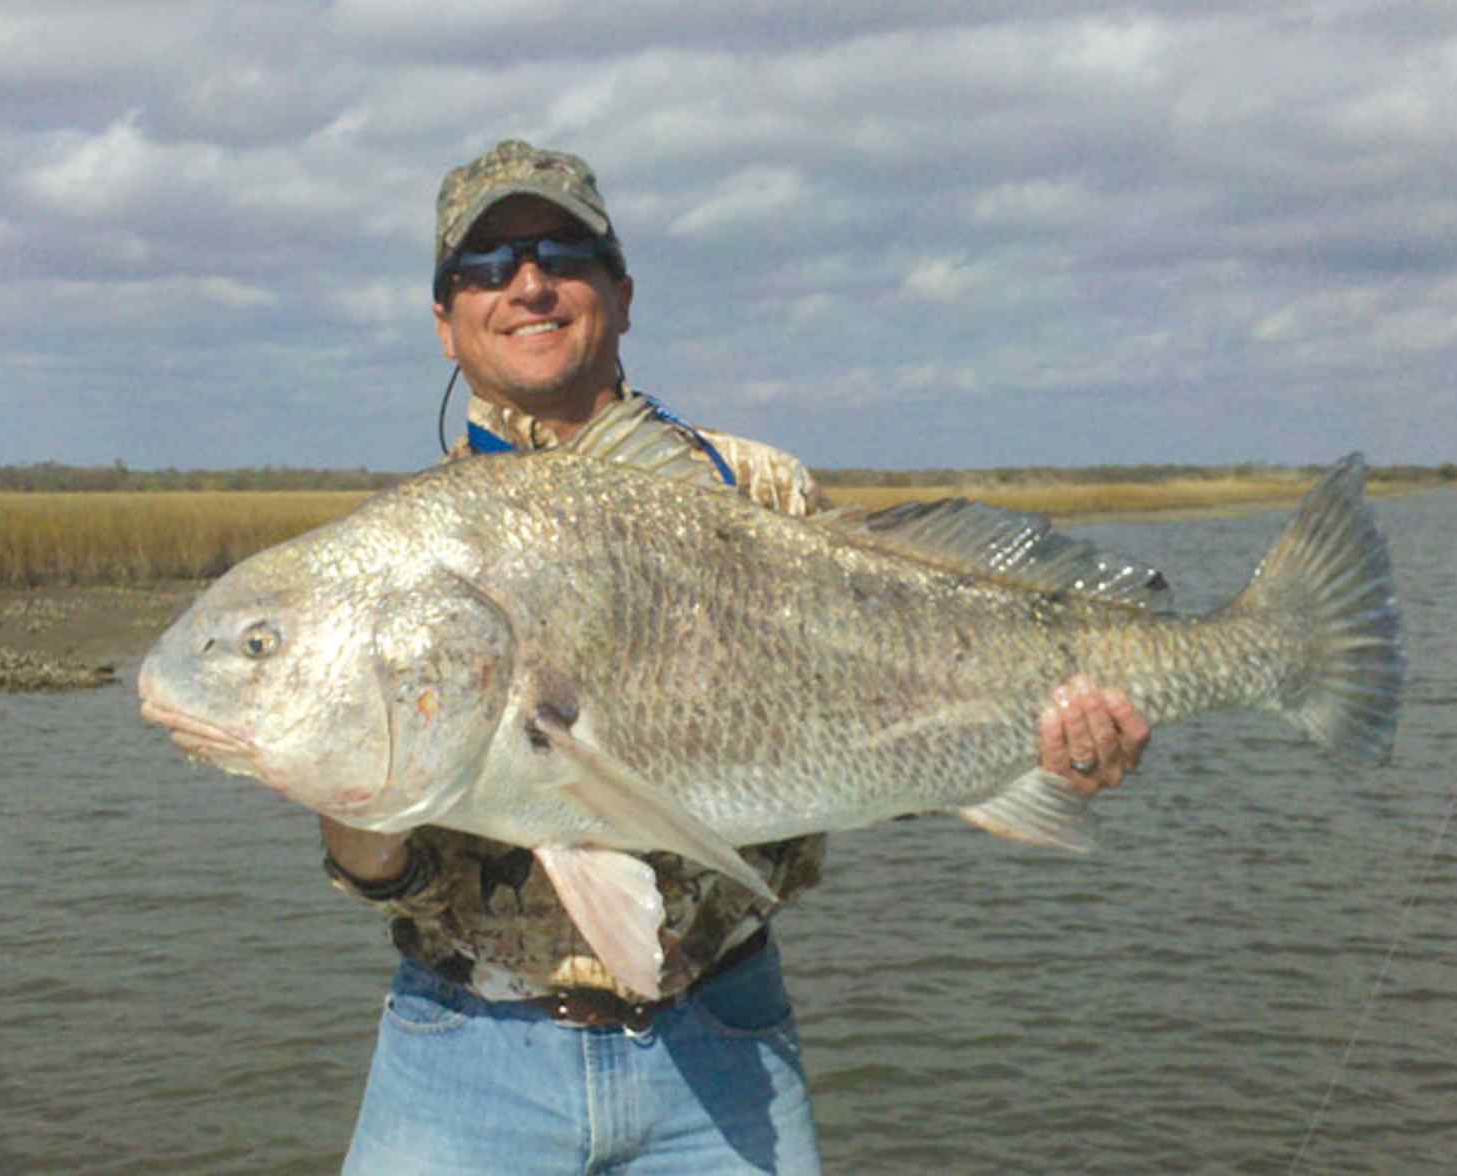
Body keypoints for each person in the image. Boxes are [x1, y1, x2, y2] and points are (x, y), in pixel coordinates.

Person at [321, 138, 1150, 1175]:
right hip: (461, 1050)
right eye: (485, 267)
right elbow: (379, 876)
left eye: (563, 255)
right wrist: (345, 777)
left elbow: (874, 741)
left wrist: (1050, 751)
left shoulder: (760, 493)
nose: (528, 284)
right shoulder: (397, 554)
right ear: (446, 322)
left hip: (722, 1042)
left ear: (622, 295)